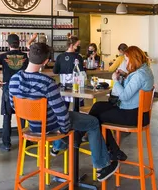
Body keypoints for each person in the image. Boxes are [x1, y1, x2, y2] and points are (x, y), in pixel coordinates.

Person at [9, 43, 119, 182]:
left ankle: (60, 146)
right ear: (46, 61)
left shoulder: (13, 80)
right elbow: (61, 113)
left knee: (72, 124)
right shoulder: (47, 82)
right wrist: (65, 131)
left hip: (32, 127)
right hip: (51, 126)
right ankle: (102, 167)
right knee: (92, 122)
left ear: (27, 56)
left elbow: (14, 107)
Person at [89, 46, 154, 161]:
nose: (126, 62)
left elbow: (124, 96)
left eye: (127, 59)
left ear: (134, 59)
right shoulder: (145, 70)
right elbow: (134, 86)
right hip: (139, 114)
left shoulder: (139, 75)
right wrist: (125, 75)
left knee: (96, 118)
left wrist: (115, 80)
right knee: (97, 107)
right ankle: (112, 150)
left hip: (132, 115)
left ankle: (112, 149)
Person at [0, 33, 28, 151]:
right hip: (22, 88)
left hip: (8, 88)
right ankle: (24, 142)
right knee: (22, 116)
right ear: (19, 43)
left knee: (7, 116)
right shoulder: (26, 56)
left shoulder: (3, 56)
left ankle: (6, 144)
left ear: (8, 44)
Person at [53, 36, 84, 109]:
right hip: (76, 87)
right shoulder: (78, 57)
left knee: (64, 108)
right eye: (77, 45)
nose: (79, 46)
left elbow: (55, 71)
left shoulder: (60, 57)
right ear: (71, 45)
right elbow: (81, 72)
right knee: (77, 108)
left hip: (64, 87)